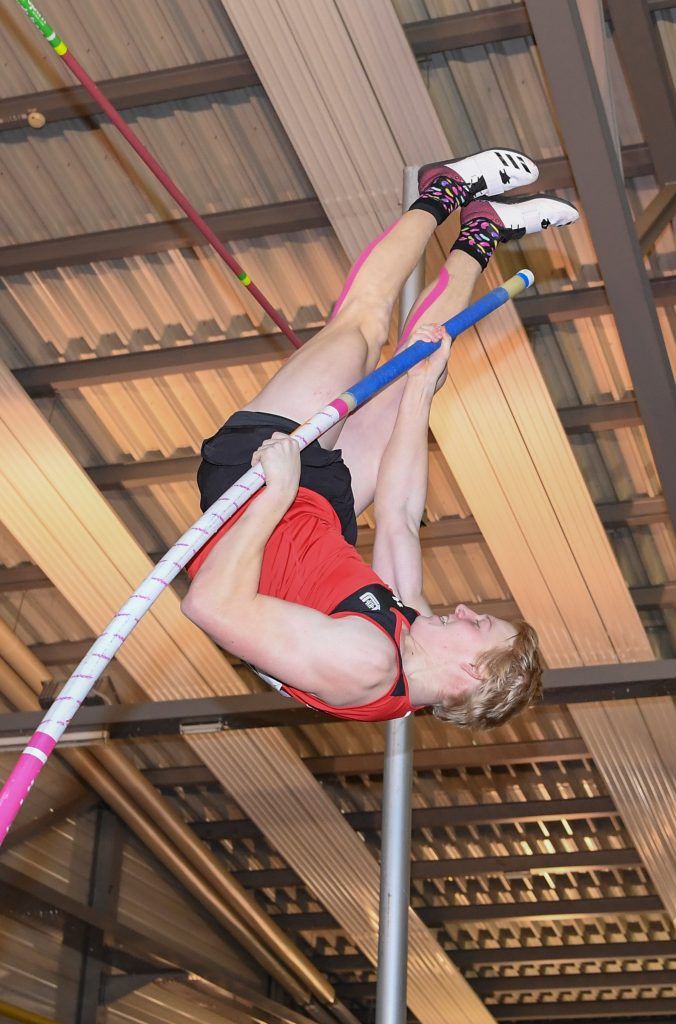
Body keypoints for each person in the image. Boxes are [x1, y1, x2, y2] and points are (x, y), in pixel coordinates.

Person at [182, 148, 579, 726]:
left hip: (254, 488)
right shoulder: (407, 628)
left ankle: (440, 191)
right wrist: (420, 391)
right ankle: (483, 231)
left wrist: (273, 494)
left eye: (478, 626)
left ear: (473, 673)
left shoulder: (364, 667)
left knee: (363, 329)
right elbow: (396, 513)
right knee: (419, 365)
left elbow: (211, 604)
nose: (465, 610)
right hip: (315, 508)